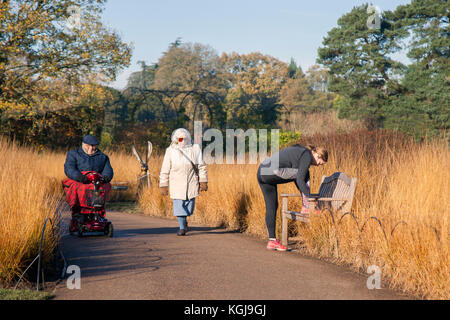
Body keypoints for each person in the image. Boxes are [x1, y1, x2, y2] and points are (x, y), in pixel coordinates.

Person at [257, 144, 328, 251]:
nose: (318, 165)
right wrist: (310, 198)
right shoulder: (307, 155)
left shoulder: (299, 150)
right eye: (320, 162)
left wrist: (305, 193)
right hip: (272, 171)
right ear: (317, 155)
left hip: (262, 171)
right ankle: (307, 206)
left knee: (272, 206)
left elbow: (297, 177)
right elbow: (300, 178)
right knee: (305, 173)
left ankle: (272, 241)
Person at [159, 128, 208, 236]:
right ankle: (182, 227)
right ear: (176, 139)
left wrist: (203, 180)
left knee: (189, 207)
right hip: (176, 183)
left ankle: (184, 220)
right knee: (179, 206)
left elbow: (201, 166)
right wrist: (163, 185)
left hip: (192, 182)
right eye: (180, 139)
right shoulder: (170, 150)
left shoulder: (195, 149)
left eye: (185, 138)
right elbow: (165, 169)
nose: (182, 140)